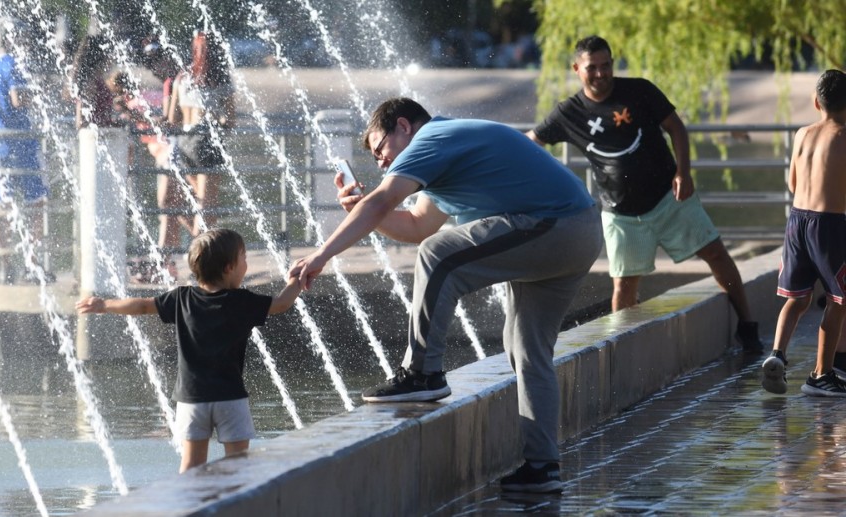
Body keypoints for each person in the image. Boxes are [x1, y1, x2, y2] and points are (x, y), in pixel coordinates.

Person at [290, 97, 603, 493]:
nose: (381, 163)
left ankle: (423, 372)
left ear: (403, 126)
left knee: (438, 254)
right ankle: (543, 467)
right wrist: (365, 210)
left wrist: (322, 253)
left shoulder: (434, 137)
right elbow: (418, 224)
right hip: (578, 231)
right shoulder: (447, 153)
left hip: (554, 225)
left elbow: (387, 204)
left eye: (380, 149)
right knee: (526, 349)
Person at [526, 35, 763, 354]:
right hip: (620, 213)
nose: (600, 73)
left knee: (716, 254)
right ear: (576, 69)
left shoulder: (639, 90)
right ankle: (622, 350)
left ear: (612, 63)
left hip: (670, 197)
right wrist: (498, 153)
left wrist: (683, 171)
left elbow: (676, 127)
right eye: (591, 68)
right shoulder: (568, 112)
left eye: (606, 65)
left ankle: (747, 326)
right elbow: (531, 143)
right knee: (624, 283)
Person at [75, 228, 303, 472]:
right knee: (238, 466)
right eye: (243, 258)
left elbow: (142, 307)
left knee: (191, 465)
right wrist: (296, 281)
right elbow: (281, 304)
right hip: (231, 397)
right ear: (228, 268)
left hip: (191, 399)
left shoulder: (182, 298)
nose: (246, 263)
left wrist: (105, 305)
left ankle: (188, 506)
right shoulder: (242, 301)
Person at [761, 69, 846, 397]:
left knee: (797, 298)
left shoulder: (801, 134)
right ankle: (820, 375)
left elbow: (793, 183)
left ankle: (777, 354)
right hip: (830, 225)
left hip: (798, 222)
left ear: (816, 102)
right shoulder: (843, 136)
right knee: (839, 300)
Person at [0, 17, 49, 276]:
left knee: (0, 205)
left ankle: (4, 265)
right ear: (13, 38)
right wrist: (39, 96)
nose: (27, 41)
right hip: (20, 143)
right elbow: (18, 100)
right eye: (24, 36)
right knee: (36, 200)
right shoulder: (16, 64)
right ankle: (32, 260)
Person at [161, 31, 236, 251]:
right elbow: (230, 120)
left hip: (185, 143)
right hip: (207, 143)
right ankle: (199, 255)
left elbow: (173, 119)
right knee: (207, 206)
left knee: (196, 203)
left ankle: (197, 247)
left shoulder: (182, 78)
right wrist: (218, 118)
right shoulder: (220, 80)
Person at [69, 34, 118, 129]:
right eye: (110, 54)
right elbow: (82, 123)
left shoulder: (98, 81)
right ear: (102, 57)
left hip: (103, 136)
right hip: (95, 139)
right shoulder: (90, 84)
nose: (113, 59)